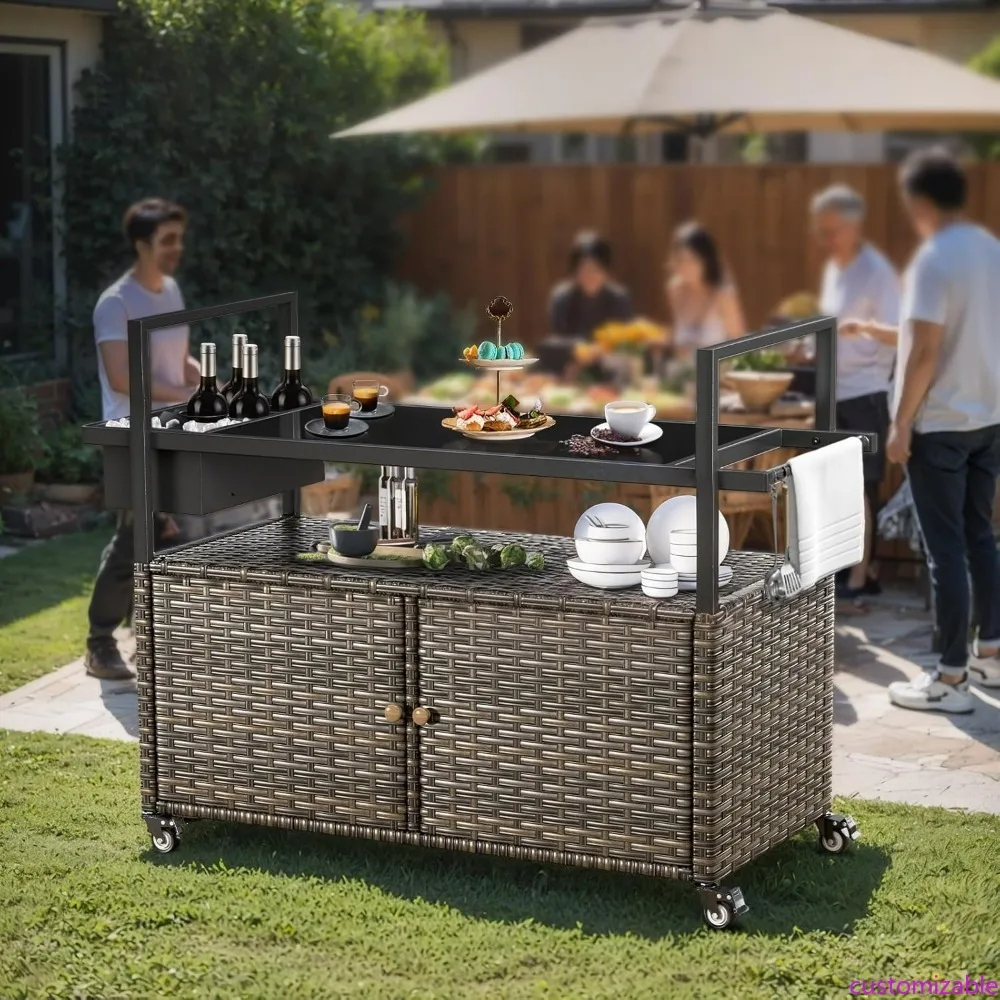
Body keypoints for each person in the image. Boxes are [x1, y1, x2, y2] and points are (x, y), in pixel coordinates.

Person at [883, 148, 1000, 714]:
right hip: (989, 418)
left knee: (945, 549)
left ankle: (951, 679)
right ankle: (990, 655)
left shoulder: (933, 260)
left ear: (918, 200)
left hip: (941, 426)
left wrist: (901, 423)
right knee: (981, 536)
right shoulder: (989, 248)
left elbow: (926, 350)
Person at [84, 198, 199, 680]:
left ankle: (146, 637)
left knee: (171, 534)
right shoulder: (117, 303)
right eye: (168, 240)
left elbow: (178, 359)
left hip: (173, 429)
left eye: (179, 238)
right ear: (141, 244)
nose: (177, 248)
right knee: (137, 535)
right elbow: (121, 378)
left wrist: (202, 377)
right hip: (131, 436)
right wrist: (182, 391)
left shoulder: (170, 290)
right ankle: (99, 643)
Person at [811, 184, 900, 603]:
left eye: (832, 230)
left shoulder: (876, 272)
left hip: (865, 394)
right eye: (822, 230)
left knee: (861, 488)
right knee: (839, 488)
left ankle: (861, 579)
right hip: (834, 392)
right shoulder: (835, 268)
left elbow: (902, 334)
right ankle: (854, 568)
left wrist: (861, 328)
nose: (826, 238)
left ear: (853, 226)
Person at [665, 221, 746, 353]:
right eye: (680, 260)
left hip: (716, 371)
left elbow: (740, 346)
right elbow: (676, 338)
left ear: (707, 261)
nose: (685, 267)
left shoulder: (723, 295)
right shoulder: (674, 290)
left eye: (692, 260)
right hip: (681, 371)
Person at [548, 231, 635, 340]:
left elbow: (625, 341)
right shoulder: (562, 299)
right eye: (584, 270)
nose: (590, 276)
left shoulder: (619, 299)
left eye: (596, 270)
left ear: (607, 273)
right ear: (574, 273)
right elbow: (558, 342)